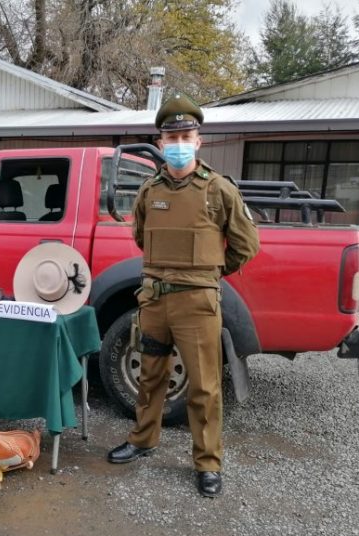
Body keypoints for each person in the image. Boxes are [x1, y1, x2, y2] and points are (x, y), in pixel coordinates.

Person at [107, 93, 260, 497]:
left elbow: (247, 244)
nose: (177, 145)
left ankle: (207, 462)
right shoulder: (148, 191)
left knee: (204, 386)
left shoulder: (218, 191)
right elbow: (141, 236)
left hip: (197, 304)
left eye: (185, 136)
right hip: (155, 300)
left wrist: (208, 274)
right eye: (170, 138)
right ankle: (143, 439)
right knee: (150, 376)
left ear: (198, 140)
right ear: (159, 144)